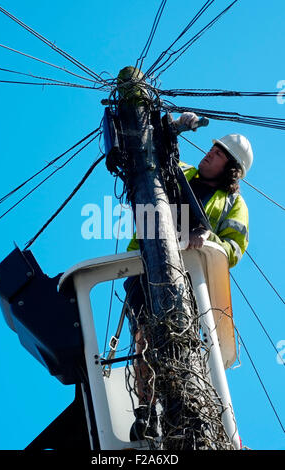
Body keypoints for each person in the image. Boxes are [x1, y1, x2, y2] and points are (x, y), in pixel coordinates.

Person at [124, 112, 253, 441]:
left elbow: (235, 250)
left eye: (220, 153)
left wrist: (209, 239)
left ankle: (182, 413)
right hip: (145, 268)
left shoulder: (233, 204)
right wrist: (175, 125)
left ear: (231, 168)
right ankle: (146, 412)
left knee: (178, 344)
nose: (211, 153)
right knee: (143, 339)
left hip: (188, 283)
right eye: (213, 148)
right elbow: (152, 151)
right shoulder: (180, 173)